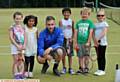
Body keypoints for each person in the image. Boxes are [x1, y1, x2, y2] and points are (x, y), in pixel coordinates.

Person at [74, 7, 94, 74]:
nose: (84, 15)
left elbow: (91, 33)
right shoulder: (78, 23)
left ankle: (86, 68)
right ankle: (81, 68)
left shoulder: (90, 23)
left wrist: (88, 42)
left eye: (86, 14)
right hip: (79, 43)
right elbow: (76, 33)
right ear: (81, 14)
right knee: (80, 56)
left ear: (89, 15)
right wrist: (75, 43)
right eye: (83, 14)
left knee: (86, 56)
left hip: (86, 43)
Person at [9, 12, 26, 79]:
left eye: (19, 19)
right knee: (16, 60)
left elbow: (25, 37)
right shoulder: (12, 27)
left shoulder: (23, 27)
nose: (18, 20)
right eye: (16, 18)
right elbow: (11, 37)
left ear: (22, 19)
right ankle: (16, 75)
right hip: (15, 46)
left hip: (21, 46)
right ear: (14, 19)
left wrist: (24, 45)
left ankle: (21, 74)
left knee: (21, 60)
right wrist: (17, 45)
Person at [59, 8, 75, 74]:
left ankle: (70, 68)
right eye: (65, 12)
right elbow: (60, 31)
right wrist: (63, 37)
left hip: (70, 40)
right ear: (63, 13)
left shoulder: (72, 21)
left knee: (70, 55)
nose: (66, 14)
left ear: (70, 14)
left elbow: (73, 30)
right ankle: (64, 68)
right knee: (63, 54)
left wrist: (72, 38)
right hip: (63, 40)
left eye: (68, 12)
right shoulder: (61, 21)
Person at [93, 9, 109, 76]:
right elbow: (93, 33)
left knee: (102, 56)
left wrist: (98, 40)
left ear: (104, 16)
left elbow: (104, 33)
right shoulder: (95, 24)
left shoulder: (105, 24)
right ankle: (99, 69)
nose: (100, 17)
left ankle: (102, 70)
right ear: (97, 16)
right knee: (98, 56)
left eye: (102, 15)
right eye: (99, 15)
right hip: (96, 43)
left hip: (102, 43)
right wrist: (95, 41)